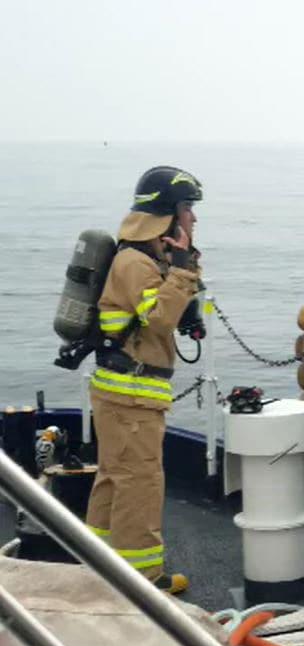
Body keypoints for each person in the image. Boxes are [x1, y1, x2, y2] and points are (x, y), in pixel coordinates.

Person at [85, 166, 203, 595]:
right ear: (167, 215)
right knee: (139, 482)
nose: (193, 218)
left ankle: (98, 565)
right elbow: (158, 320)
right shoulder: (135, 263)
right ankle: (141, 581)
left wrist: (184, 264)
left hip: (123, 393)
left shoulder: (143, 259)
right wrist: (183, 272)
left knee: (115, 477)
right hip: (132, 396)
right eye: (187, 208)